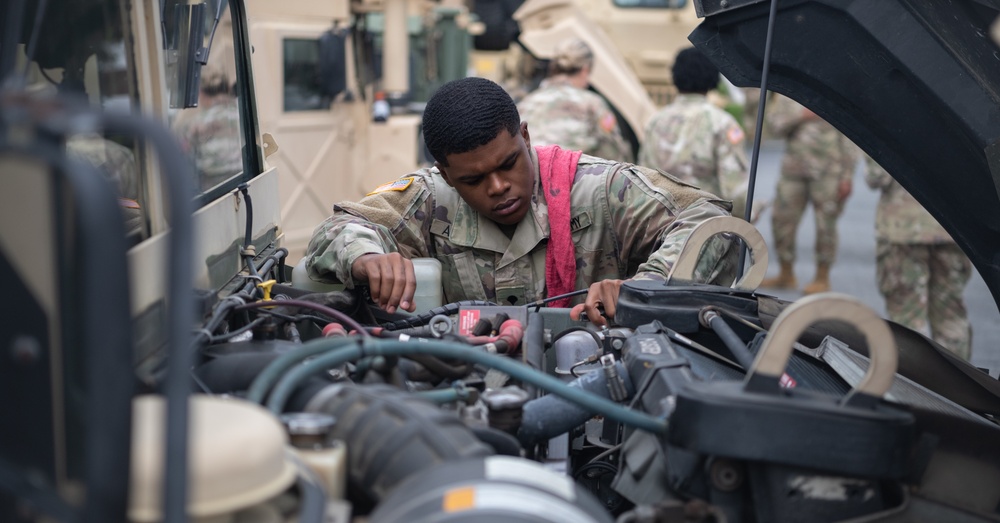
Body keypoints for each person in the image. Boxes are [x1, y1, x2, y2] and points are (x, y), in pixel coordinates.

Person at [304, 77, 739, 325]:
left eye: (509, 163)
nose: (497, 187)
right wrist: (366, 257)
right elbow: (338, 228)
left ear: (525, 136)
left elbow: (709, 219)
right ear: (447, 174)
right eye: (474, 179)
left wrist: (646, 288)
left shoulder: (600, 190)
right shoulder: (427, 198)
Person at [863, 156, 973, 359]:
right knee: (951, 315)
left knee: (907, 316)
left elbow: (875, 176)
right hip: (955, 229)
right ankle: (957, 385)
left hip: (904, 230)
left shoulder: (898, 124)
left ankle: (915, 385)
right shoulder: (974, 123)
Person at [759, 94, 859, 294]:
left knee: (826, 225)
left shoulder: (832, 93)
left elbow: (849, 136)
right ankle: (786, 273)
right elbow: (774, 128)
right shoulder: (786, 94)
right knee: (781, 221)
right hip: (793, 171)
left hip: (829, 171)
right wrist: (801, 116)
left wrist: (847, 176)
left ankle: (822, 277)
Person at [638, 47, 750, 219]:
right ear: (712, 78)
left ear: (675, 77)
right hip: (705, 224)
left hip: (661, 225)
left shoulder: (656, 121)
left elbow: (643, 179)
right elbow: (735, 189)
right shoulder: (722, 123)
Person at [516, 38, 633, 162]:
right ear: (585, 70)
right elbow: (614, 151)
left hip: (532, 175)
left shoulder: (527, 102)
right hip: (572, 177)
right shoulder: (593, 103)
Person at [171, 63, 244, 192]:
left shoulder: (194, 125)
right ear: (227, 87)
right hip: (245, 186)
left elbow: (179, 158)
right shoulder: (244, 115)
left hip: (212, 194)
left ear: (200, 93)